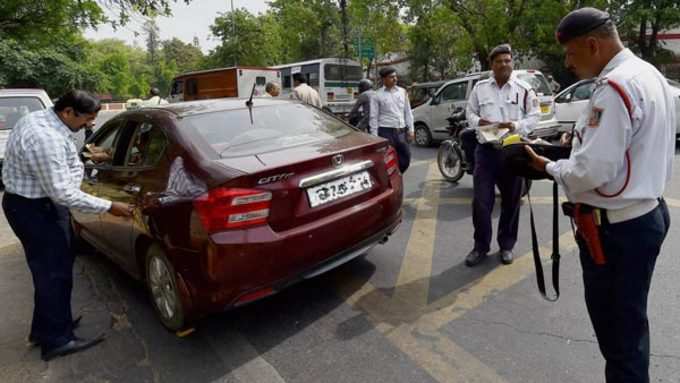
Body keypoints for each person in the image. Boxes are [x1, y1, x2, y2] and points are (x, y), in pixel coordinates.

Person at [525, 8, 674, 383]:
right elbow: (627, 146)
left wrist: (546, 166)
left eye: (571, 54)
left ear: (593, 45)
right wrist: (575, 144)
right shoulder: (650, 74)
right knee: (631, 327)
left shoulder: (615, 86)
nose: (567, 63)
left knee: (619, 340)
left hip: (617, 234)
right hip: (646, 216)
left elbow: (590, 173)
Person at [1, 90, 134, 361]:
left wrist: (83, 159)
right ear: (68, 112)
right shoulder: (44, 138)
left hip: (32, 205)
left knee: (50, 272)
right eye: (86, 118)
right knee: (54, 274)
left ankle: (46, 328)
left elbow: (57, 169)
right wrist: (110, 206)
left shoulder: (40, 118)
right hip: (37, 210)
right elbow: (62, 193)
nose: (88, 124)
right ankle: (57, 341)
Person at [465, 44, 540, 267]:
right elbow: (470, 111)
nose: (504, 64)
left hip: (512, 152)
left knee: (511, 201)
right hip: (486, 152)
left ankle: (506, 245)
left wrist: (515, 125)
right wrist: (479, 122)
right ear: (492, 65)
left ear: (512, 63)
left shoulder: (524, 88)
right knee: (481, 202)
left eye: (508, 60)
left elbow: (535, 116)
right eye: (500, 61)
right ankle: (480, 246)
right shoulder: (480, 88)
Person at [369, 67, 414, 173]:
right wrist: (375, 138)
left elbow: (408, 112)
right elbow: (373, 117)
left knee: (406, 158)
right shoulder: (376, 95)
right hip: (385, 131)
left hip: (401, 131)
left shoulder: (402, 92)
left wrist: (411, 129)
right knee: (387, 159)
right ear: (384, 79)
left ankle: (397, 175)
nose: (395, 79)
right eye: (391, 77)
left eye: (395, 76)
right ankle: (390, 179)